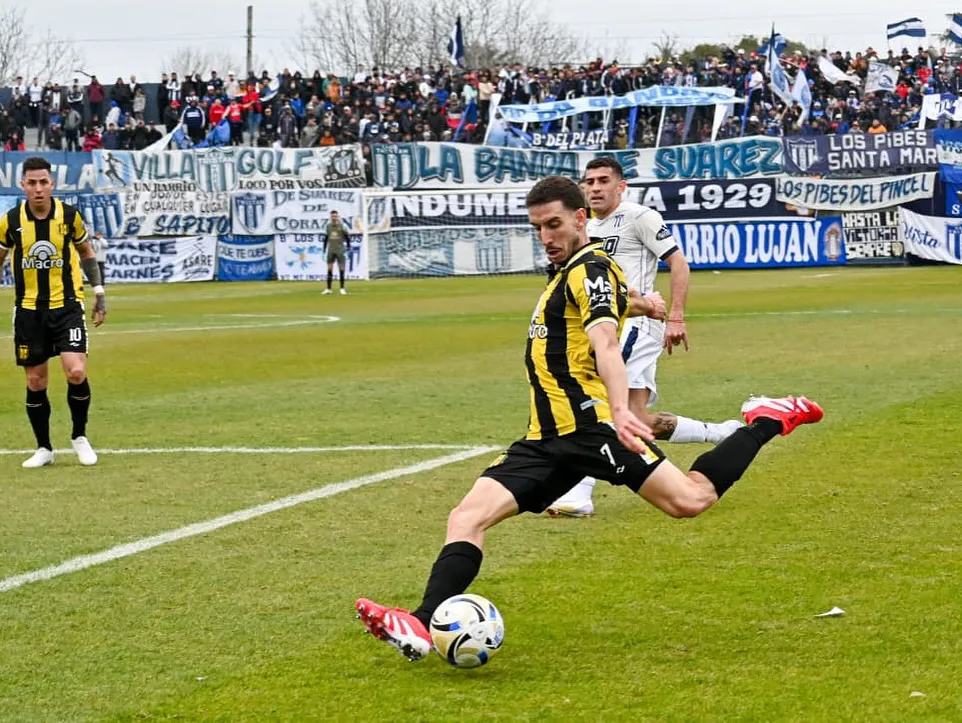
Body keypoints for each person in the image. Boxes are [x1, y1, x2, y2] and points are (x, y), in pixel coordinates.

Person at [354, 175, 823, 661]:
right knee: (466, 517)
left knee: (691, 499)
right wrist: (645, 304)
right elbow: (609, 301)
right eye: (537, 228)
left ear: (581, 218)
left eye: (554, 224)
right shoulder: (572, 270)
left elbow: (604, 342)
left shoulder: (591, 268)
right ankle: (419, 622)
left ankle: (767, 419)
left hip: (590, 427)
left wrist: (620, 410)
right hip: (545, 437)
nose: (545, 236)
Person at [548, 157, 742, 518]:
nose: (595, 188)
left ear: (621, 186)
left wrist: (676, 317)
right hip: (605, 324)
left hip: (636, 324)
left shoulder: (640, 217)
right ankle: (722, 433)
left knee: (596, 398)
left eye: (603, 180)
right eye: (589, 181)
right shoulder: (584, 226)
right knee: (636, 416)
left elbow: (678, 262)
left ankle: (579, 492)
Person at [0, 156, 108, 468]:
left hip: (67, 306)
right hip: (29, 311)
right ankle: (44, 448)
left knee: (76, 371)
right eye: (32, 183)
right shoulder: (10, 221)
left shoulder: (69, 216)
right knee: (36, 381)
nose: (38, 188)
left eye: (43, 182)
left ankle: (79, 436)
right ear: (22, 185)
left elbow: (86, 252)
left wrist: (99, 293)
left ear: (52, 184)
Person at [321, 210, 351, 295]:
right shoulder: (328, 226)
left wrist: (348, 248)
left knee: (341, 269)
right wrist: (324, 250)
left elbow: (347, 238)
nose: (334, 218)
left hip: (340, 250)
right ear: (330, 217)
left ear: (338, 217)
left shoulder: (342, 226)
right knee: (329, 269)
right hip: (331, 250)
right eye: (332, 216)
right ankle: (328, 289)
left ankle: (342, 288)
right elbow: (326, 238)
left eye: (335, 216)